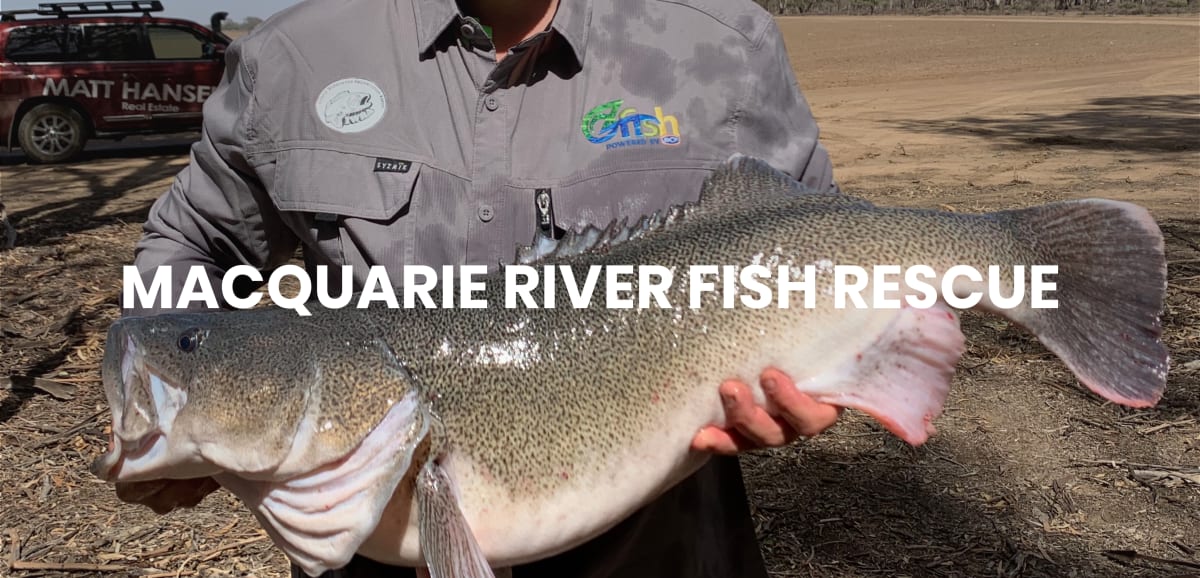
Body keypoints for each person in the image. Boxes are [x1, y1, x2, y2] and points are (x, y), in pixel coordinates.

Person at [124, 0, 845, 576]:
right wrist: (194, 397)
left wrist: (824, 370)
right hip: (378, 547)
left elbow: (819, 247)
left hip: (670, 548)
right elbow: (191, 242)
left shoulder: (724, 41)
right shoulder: (294, 57)